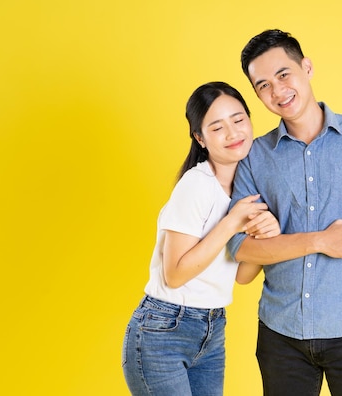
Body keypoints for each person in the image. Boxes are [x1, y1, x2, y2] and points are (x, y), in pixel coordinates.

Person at [227, 29, 342, 395]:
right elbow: (241, 250)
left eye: (283, 75)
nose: (277, 91)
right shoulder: (253, 158)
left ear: (306, 68)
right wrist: (319, 241)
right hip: (281, 335)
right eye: (263, 85)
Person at [121, 81, 281, 396]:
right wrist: (232, 222)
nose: (233, 133)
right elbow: (175, 274)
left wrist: (267, 238)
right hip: (163, 330)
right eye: (217, 127)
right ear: (200, 138)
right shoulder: (196, 185)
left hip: (212, 328)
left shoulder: (247, 189)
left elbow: (242, 276)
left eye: (238, 120)